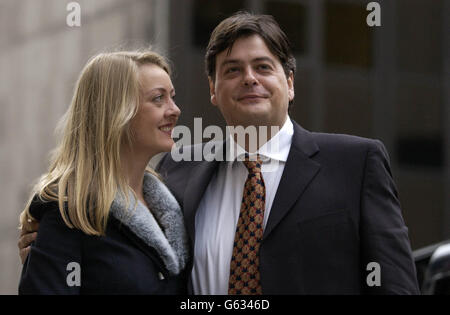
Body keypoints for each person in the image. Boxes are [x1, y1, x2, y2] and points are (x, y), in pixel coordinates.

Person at [19, 12, 420, 295]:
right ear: (213, 89)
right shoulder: (175, 173)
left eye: (263, 67)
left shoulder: (355, 163)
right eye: (232, 70)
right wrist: (53, 242)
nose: (249, 78)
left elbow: (396, 285)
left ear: (290, 83)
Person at [17, 49, 190, 294]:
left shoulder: (174, 204)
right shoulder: (69, 210)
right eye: (158, 99)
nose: (175, 110)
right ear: (117, 111)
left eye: (172, 97)